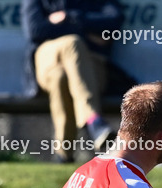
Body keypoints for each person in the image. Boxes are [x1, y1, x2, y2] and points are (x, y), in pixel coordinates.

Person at [21, 0, 124, 162]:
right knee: (72, 43)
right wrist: (86, 32)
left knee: (60, 77)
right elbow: (36, 30)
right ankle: (93, 121)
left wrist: (70, 18)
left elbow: (114, 21)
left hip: (92, 67)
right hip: (48, 59)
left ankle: (63, 154)